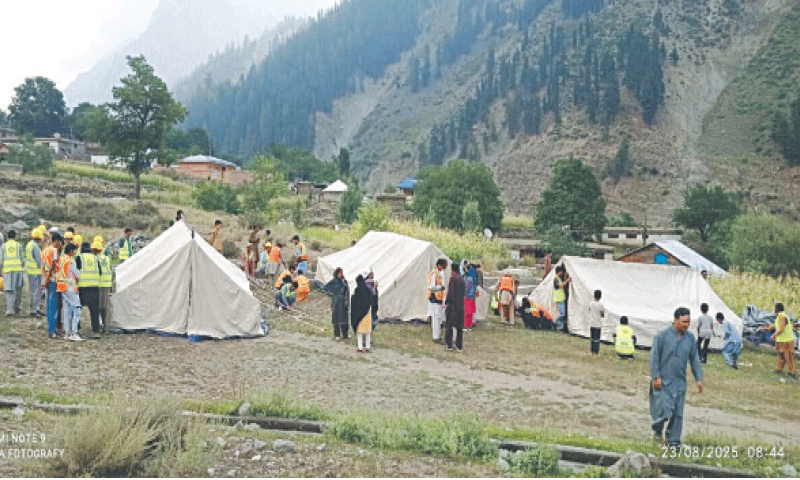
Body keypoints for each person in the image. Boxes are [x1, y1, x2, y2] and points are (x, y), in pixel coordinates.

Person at [650, 307, 703, 446]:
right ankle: (657, 430)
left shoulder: (690, 339)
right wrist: (656, 376)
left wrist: (699, 378)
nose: (686, 325)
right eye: (683, 321)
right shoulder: (662, 336)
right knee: (664, 411)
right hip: (663, 380)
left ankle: (673, 441)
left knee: (678, 413)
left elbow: (694, 359)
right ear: (675, 320)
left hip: (679, 381)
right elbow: (654, 357)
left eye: (688, 322)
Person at [759, 303, 797, 378]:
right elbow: (774, 326)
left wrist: (774, 335)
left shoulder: (782, 316)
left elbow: (782, 328)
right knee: (781, 355)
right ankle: (778, 369)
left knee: (788, 356)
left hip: (787, 340)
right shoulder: (779, 317)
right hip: (781, 340)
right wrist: (765, 329)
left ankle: (793, 372)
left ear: (776, 309)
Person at [76, 241, 102, 338]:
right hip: (94, 287)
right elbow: (100, 272)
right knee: (94, 311)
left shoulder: (79, 258)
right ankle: (96, 331)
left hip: (82, 288)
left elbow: (75, 272)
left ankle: (77, 329)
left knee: (78, 309)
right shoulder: (95, 258)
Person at [57, 243, 82, 341]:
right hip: (70, 287)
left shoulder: (61, 259)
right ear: (71, 251)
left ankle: (67, 333)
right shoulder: (71, 262)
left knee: (67, 311)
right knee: (76, 309)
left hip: (61, 287)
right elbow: (77, 275)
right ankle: (74, 332)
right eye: (74, 250)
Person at [42, 233, 63, 338]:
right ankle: (53, 330)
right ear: (57, 241)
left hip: (47, 279)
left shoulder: (45, 250)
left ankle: (50, 329)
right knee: (53, 307)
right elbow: (51, 266)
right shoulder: (54, 251)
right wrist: (47, 279)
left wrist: (44, 279)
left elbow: (43, 266)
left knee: (49, 305)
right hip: (53, 280)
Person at [0, 230, 24, 317]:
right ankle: (17, 306)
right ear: (15, 236)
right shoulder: (18, 245)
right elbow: (22, 259)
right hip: (18, 269)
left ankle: (10, 310)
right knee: (18, 289)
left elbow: (1, 259)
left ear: (7, 236)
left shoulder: (4, 246)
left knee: (9, 290)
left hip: (8, 270)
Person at [445, 261, 466, 351]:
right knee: (459, 326)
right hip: (460, 305)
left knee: (449, 325)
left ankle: (449, 344)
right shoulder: (461, 279)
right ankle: (458, 345)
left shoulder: (453, 279)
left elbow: (451, 293)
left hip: (452, 305)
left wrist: (447, 302)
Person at [351, 274, 374, 353]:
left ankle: (360, 347)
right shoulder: (368, 290)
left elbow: (354, 302)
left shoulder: (357, 291)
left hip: (359, 315)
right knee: (367, 332)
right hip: (367, 313)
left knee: (359, 332)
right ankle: (367, 347)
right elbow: (372, 300)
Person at [324, 267, 349, 339]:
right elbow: (326, 288)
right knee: (336, 318)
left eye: (342, 273)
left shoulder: (344, 281)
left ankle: (345, 334)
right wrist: (332, 294)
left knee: (344, 318)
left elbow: (346, 291)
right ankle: (337, 334)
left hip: (343, 301)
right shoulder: (333, 281)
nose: (341, 274)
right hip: (336, 302)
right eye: (340, 273)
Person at [93, 237, 112, 332]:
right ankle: (106, 326)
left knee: (99, 306)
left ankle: (100, 325)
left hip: (99, 284)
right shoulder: (107, 258)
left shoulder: (95, 258)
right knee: (105, 306)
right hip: (107, 284)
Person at [25, 227, 44, 317]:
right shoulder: (35, 246)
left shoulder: (29, 244)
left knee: (33, 291)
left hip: (30, 270)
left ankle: (34, 309)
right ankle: (35, 310)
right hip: (35, 271)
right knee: (36, 291)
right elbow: (38, 260)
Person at [428, 259, 447, 343]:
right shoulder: (434, 274)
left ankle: (438, 335)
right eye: (444, 265)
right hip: (435, 298)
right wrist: (440, 288)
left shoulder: (441, 273)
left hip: (439, 298)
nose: (445, 267)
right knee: (436, 318)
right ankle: (435, 337)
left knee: (439, 317)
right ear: (439, 265)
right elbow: (431, 288)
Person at [553, 265, 570, 332]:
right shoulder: (556, 279)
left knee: (563, 313)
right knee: (562, 314)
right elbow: (560, 286)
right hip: (559, 298)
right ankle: (555, 323)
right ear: (558, 272)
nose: (562, 273)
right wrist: (567, 281)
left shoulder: (558, 278)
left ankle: (561, 327)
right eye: (561, 272)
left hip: (561, 298)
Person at [589, 290, 605, 357]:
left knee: (592, 338)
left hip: (592, 323)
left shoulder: (591, 303)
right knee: (597, 339)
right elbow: (602, 314)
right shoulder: (601, 305)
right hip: (598, 324)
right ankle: (596, 352)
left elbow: (589, 310)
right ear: (600, 297)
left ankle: (592, 351)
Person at [463, 262, 477, 330]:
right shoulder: (473, 277)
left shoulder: (468, 278)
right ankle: (469, 325)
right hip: (472, 297)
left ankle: (466, 325)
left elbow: (466, 288)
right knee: (470, 312)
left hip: (467, 296)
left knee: (466, 312)